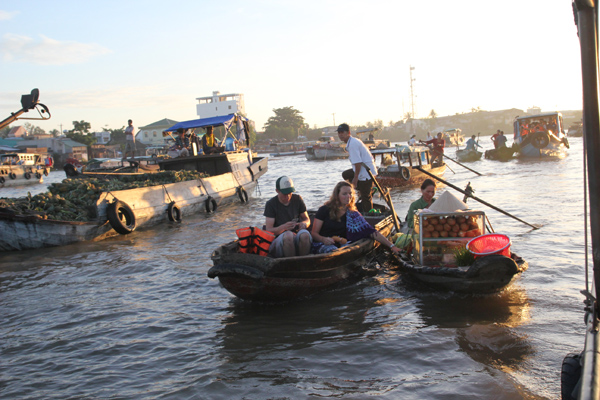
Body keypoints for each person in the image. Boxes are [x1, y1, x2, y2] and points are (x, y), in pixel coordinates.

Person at [311, 181, 401, 255]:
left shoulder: (353, 213)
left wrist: (392, 246)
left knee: (341, 252)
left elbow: (371, 231)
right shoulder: (324, 210)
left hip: (344, 245)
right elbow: (314, 233)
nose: (348, 197)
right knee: (331, 251)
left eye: (350, 193)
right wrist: (323, 239)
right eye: (344, 194)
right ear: (337, 195)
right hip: (323, 244)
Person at [264, 176, 312, 257]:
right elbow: (268, 230)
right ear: (277, 191)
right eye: (285, 194)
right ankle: (292, 263)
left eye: (290, 193)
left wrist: (304, 224)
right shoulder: (271, 204)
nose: (288, 197)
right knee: (288, 236)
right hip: (279, 238)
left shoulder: (298, 199)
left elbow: (307, 219)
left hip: (297, 234)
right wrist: (283, 228)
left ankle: (303, 261)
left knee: (305, 235)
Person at [337, 123, 377, 213]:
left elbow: (357, 163)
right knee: (346, 174)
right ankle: (366, 189)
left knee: (365, 197)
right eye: (339, 133)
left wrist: (355, 179)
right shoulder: (352, 142)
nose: (340, 135)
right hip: (364, 170)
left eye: (342, 132)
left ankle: (369, 215)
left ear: (348, 133)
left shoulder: (353, 144)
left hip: (367, 172)